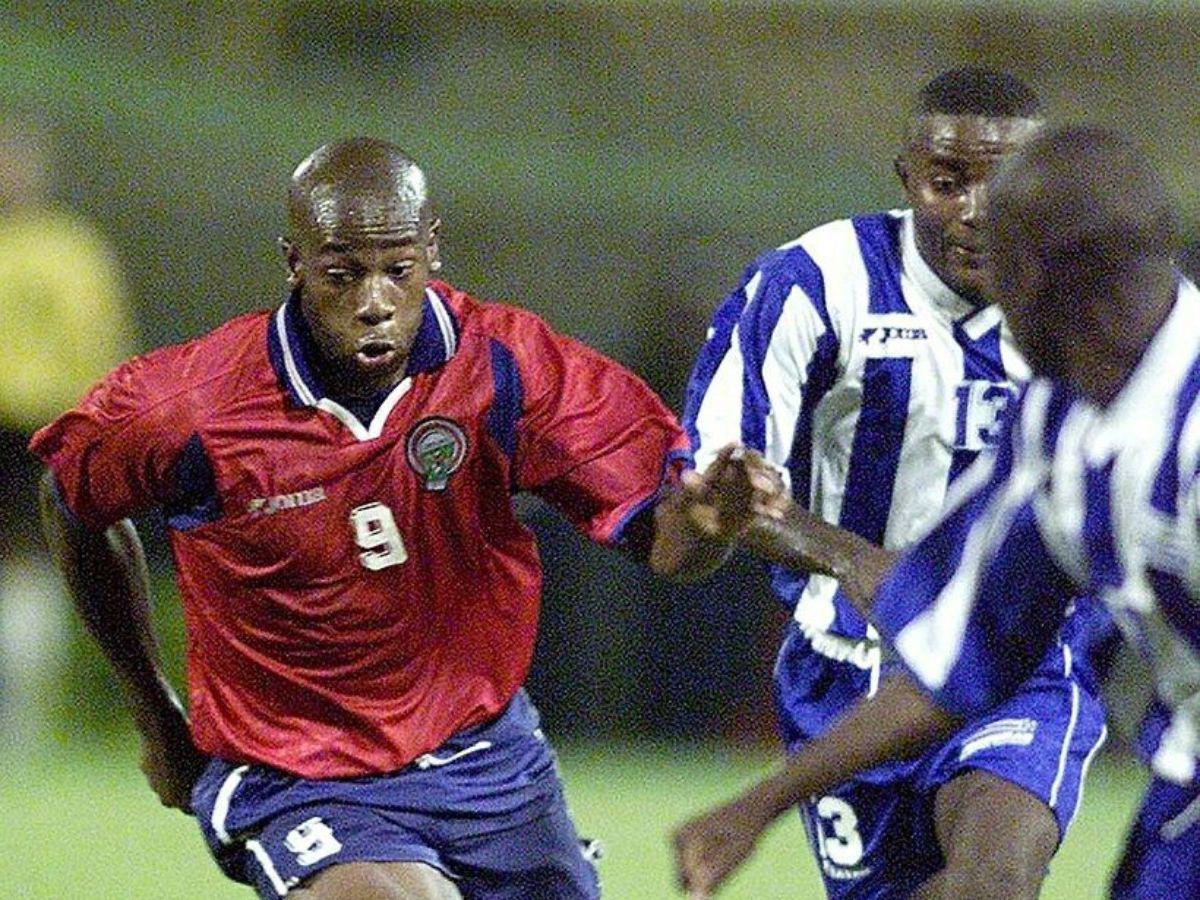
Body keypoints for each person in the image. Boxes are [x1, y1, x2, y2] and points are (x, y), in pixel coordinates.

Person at [32, 137, 781, 900]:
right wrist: (155, 712)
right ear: (295, 263)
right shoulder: (191, 406)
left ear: (432, 251)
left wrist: (710, 524)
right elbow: (68, 496)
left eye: (399, 269)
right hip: (296, 773)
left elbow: (667, 545)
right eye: (342, 274)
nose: (374, 301)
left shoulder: (507, 367)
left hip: (486, 762)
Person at [673, 126, 1200, 899]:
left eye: (1003, 264)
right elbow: (959, 660)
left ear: (1040, 279)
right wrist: (759, 805)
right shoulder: (1055, 426)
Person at [0, 113, 133, 748]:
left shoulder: (71, 251)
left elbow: (99, 347)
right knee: (30, 571)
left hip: (38, 428)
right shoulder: (72, 250)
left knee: (30, 569)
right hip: (35, 424)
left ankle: (21, 724)